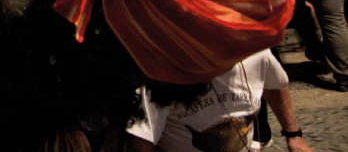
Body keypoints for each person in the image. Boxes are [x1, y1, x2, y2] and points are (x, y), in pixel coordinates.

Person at [126, 49, 312, 152]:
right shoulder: (163, 72)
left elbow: (276, 83)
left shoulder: (256, 52)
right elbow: (141, 141)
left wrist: (293, 136)